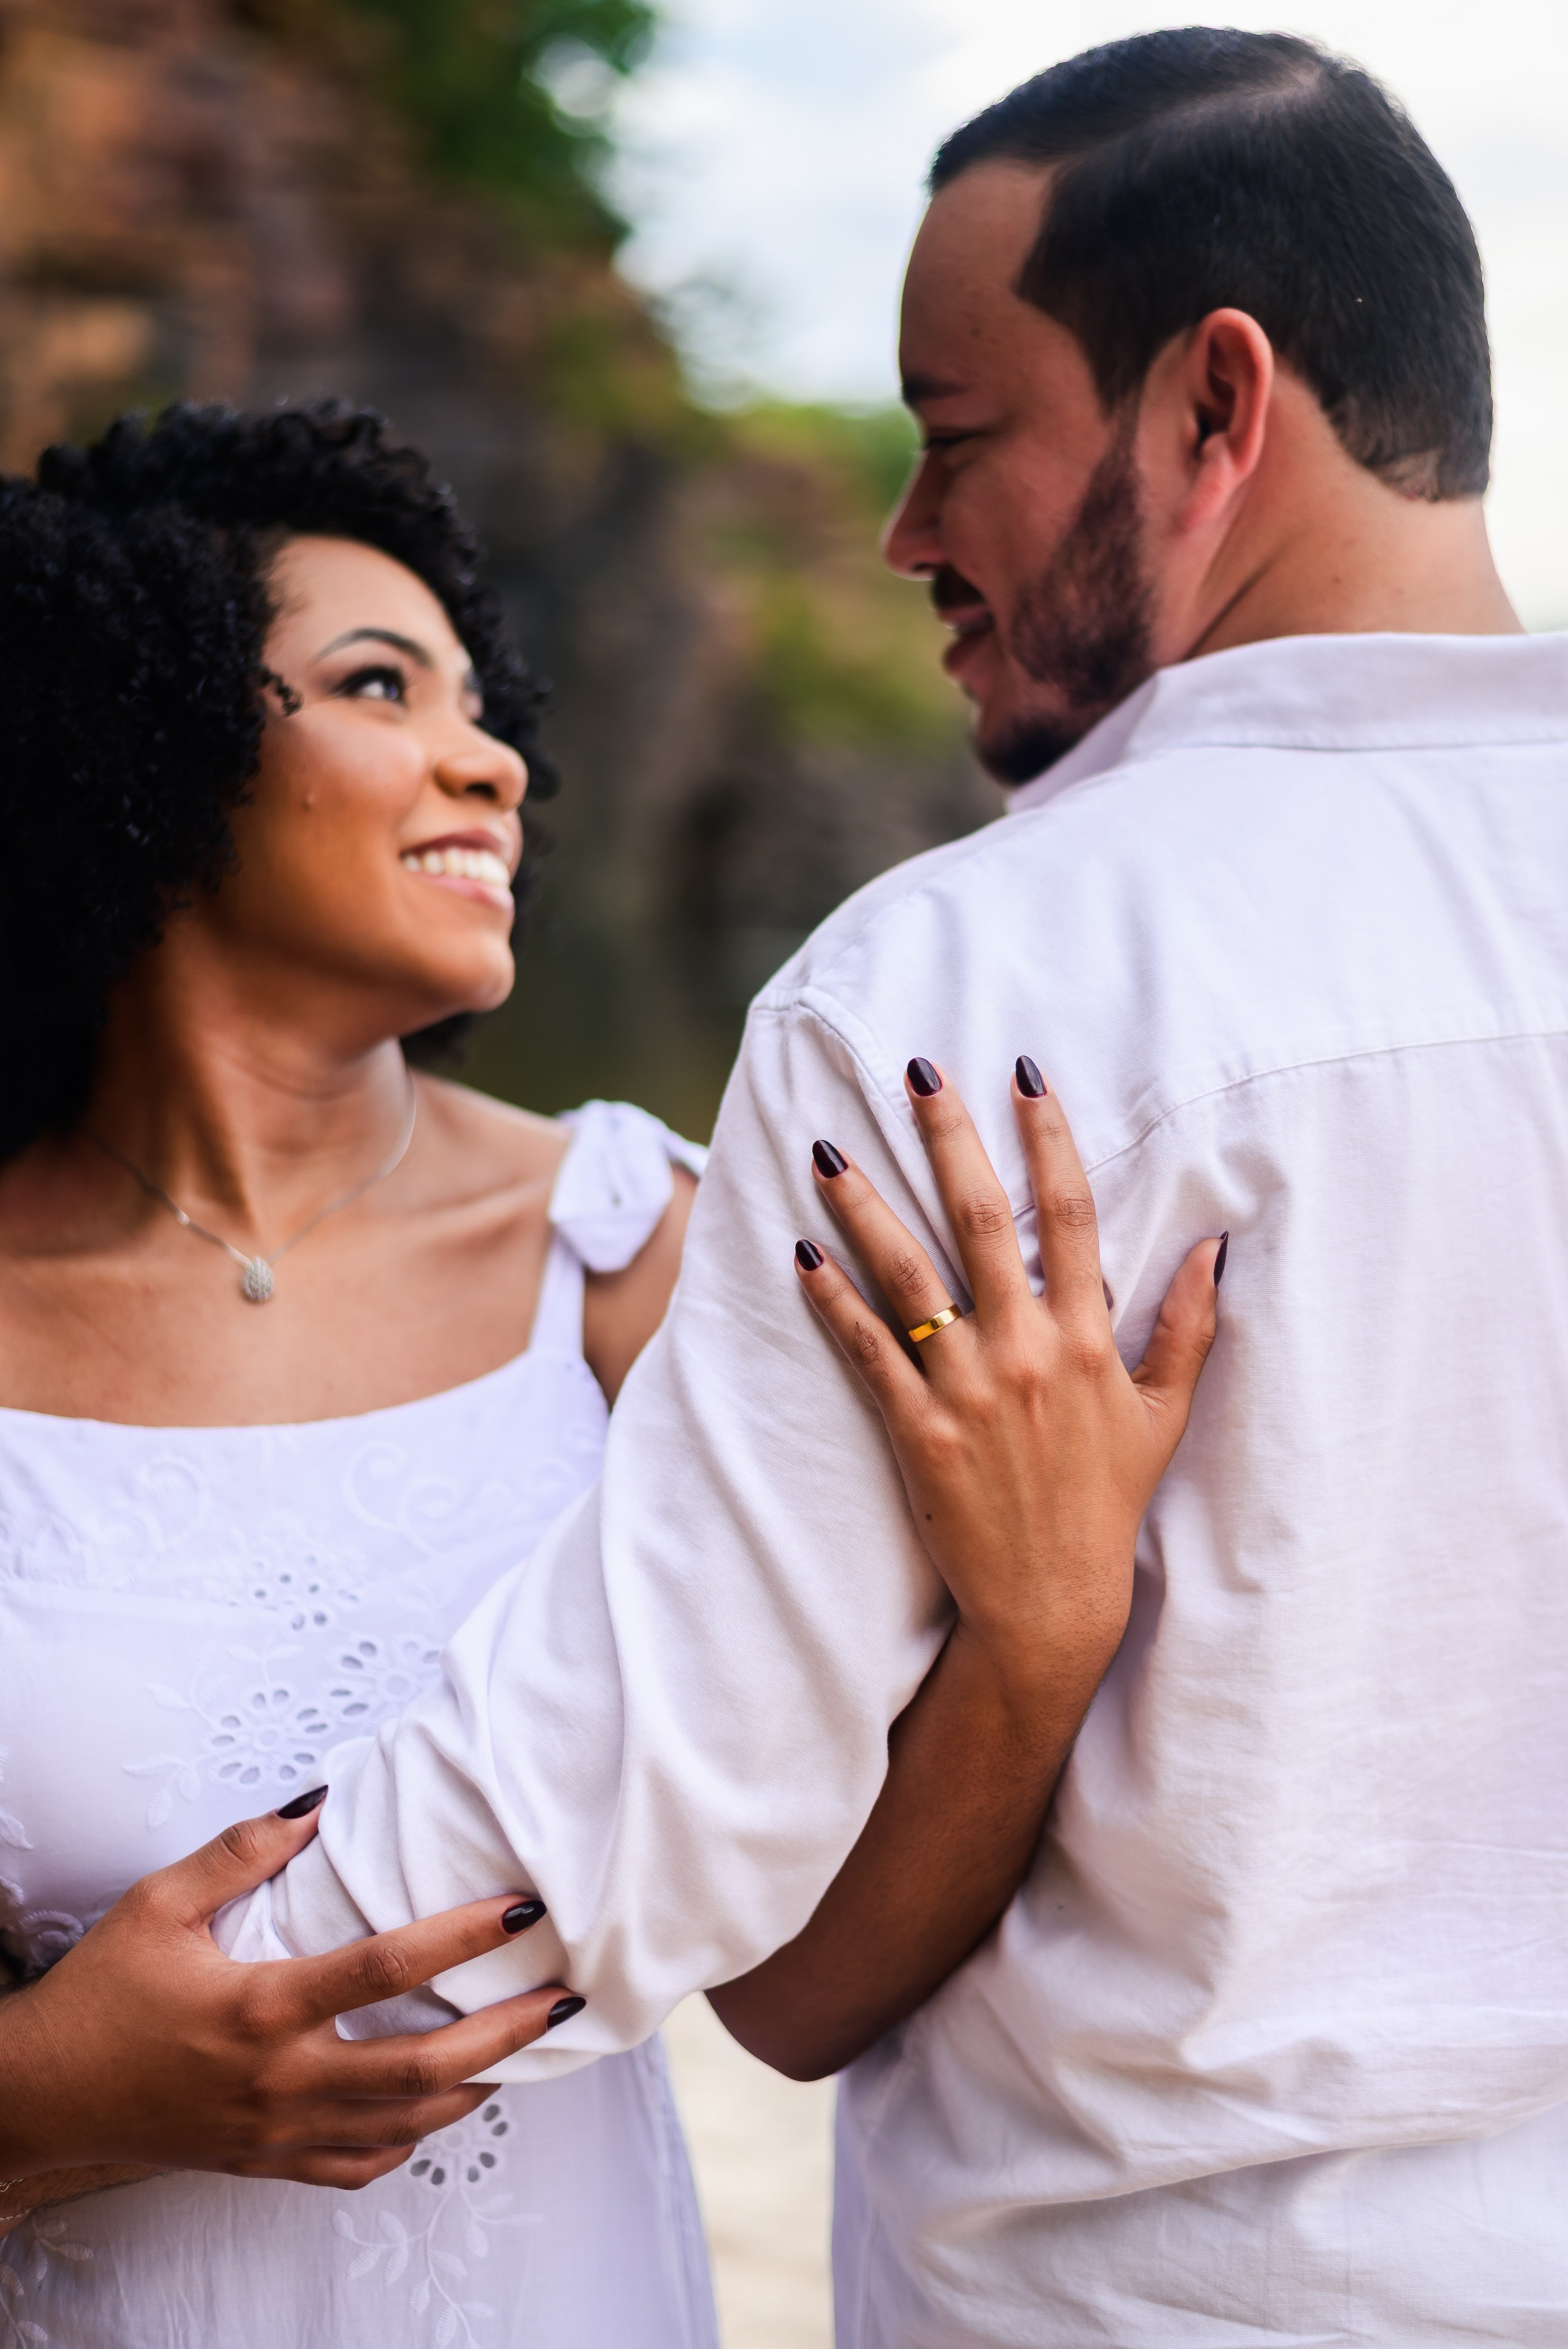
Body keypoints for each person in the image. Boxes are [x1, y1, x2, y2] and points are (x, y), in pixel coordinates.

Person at [182, 26, 1568, 2346]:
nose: (911, 534)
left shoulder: (981, 988)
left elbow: (594, 1823)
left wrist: (89, 2059)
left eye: (959, 443)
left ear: (1217, 407)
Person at [0, 400, 1217, 2343]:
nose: (488, 759)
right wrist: (52, 2093)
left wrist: (1046, 1621)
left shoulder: (640, 1251)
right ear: (129, 721)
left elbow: (801, 1991)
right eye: (378, 685)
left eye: (485, 703)